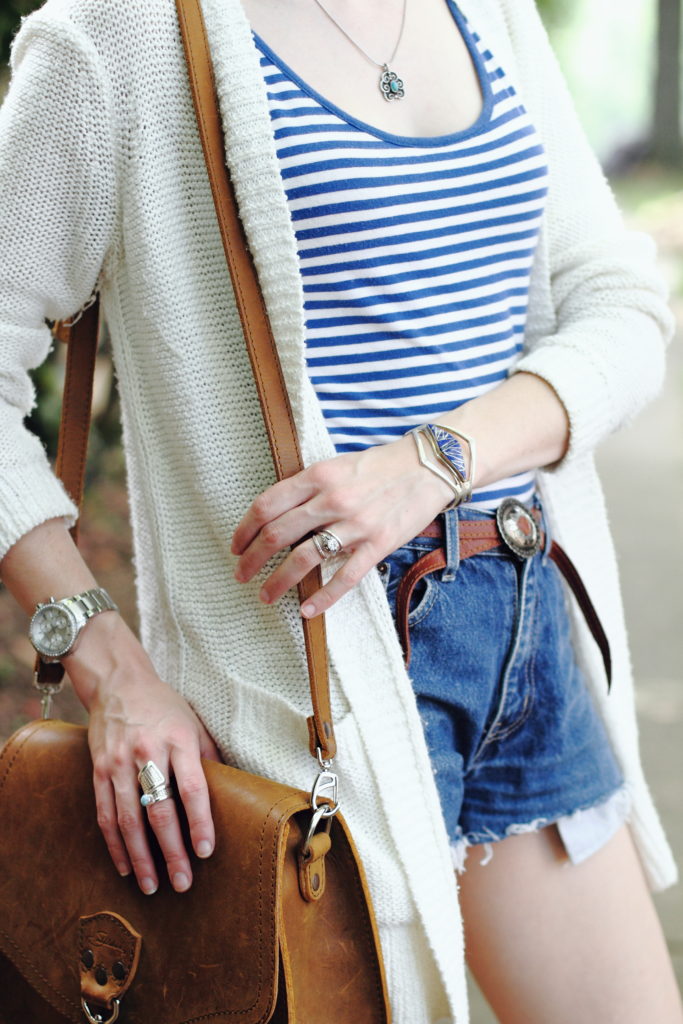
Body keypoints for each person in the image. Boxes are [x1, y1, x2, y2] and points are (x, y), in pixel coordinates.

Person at [0, 0, 681, 1020]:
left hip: (522, 633)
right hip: (307, 690)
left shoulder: (487, 12)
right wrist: (107, 665)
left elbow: (621, 303)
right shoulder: (117, 33)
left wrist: (436, 459)